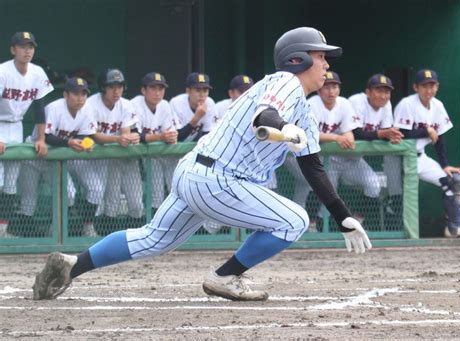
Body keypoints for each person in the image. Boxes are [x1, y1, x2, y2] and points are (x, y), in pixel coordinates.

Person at [32, 27, 371, 302]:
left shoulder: (305, 114)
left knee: (153, 239)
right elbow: (263, 117)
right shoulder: (285, 82)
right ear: (297, 60)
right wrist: (283, 128)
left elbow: (313, 167)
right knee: (293, 221)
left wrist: (342, 216)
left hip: (195, 173)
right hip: (218, 180)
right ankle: (225, 276)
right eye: (320, 56)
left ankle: (72, 266)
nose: (326, 65)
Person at [393, 68, 460, 238]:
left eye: (432, 85)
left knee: (452, 181)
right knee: (393, 197)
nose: (429, 90)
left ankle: (453, 228)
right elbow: (401, 133)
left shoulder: (438, 105)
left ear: (437, 86)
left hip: (420, 158)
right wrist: (426, 130)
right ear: (416, 87)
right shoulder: (407, 104)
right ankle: (392, 234)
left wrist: (444, 165)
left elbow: (440, 137)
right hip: (398, 159)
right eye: (424, 86)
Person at [14, 77, 99, 237]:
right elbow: (45, 136)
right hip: (33, 157)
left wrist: (86, 143)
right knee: (28, 200)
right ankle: (20, 235)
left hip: (53, 161)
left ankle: (55, 231)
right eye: (75, 93)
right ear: (66, 95)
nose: (80, 98)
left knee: (69, 193)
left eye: (83, 93)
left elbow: (87, 134)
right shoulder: (54, 108)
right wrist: (69, 143)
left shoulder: (88, 110)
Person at [284, 71, 359, 229]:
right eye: (327, 87)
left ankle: (304, 224)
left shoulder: (344, 104)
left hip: (314, 157)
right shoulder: (312, 104)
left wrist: (348, 136)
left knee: (308, 186)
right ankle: (308, 221)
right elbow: (309, 134)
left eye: (335, 87)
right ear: (319, 90)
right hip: (293, 154)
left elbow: (348, 130)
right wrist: (336, 138)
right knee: (313, 183)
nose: (331, 91)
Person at [0, 31, 53, 238]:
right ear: (13, 50)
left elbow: (39, 109)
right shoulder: (3, 71)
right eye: (22, 47)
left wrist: (40, 138)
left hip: (17, 126)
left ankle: (2, 230)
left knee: (11, 183)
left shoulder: (37, 73)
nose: (27, 50)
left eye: (30, 46)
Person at [88, 68, 144, 233]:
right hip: (98, 157)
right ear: (103, 87)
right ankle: (102, 233)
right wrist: (119, 139)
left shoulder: (126, 105)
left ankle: (132, 237)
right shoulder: (91, 104)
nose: (116, 90)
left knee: (136, 204)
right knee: (110, 200)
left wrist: (130, 137)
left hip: (123, 157)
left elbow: (126, 131)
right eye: (112, 86)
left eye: (119, 86)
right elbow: (94, 136)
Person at [348, 74, 404, 225]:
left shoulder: (386, 105)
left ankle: (356, 221)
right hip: (334, 157)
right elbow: (356, 133)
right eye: (379, 91)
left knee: (373, 184)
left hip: (354, 160)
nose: (384, 95)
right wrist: (383, 134)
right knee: (325, 192)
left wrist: (392, 136)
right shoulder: (356, 101)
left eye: (387, 92)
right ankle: (317, 225)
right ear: (368, 92)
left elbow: (385, 130)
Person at [130, 72, 178, 212]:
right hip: (132, 157)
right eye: (153, 88)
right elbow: (137, 135)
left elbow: (170, 131)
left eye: (161, 88)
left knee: (172, 191)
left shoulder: (164, 105)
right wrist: (161, 137)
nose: (157, 93)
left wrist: (170, 136)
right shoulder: (134, 104)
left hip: (158, 155)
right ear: (143, 90)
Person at [170, 72, 218, 142]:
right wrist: (196, 118)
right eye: (198, 90)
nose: (202, 95)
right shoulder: (176, 103)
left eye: (205, 90)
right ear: (188, 91)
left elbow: (208, 136)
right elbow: (177, 138)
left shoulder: (209, 103)